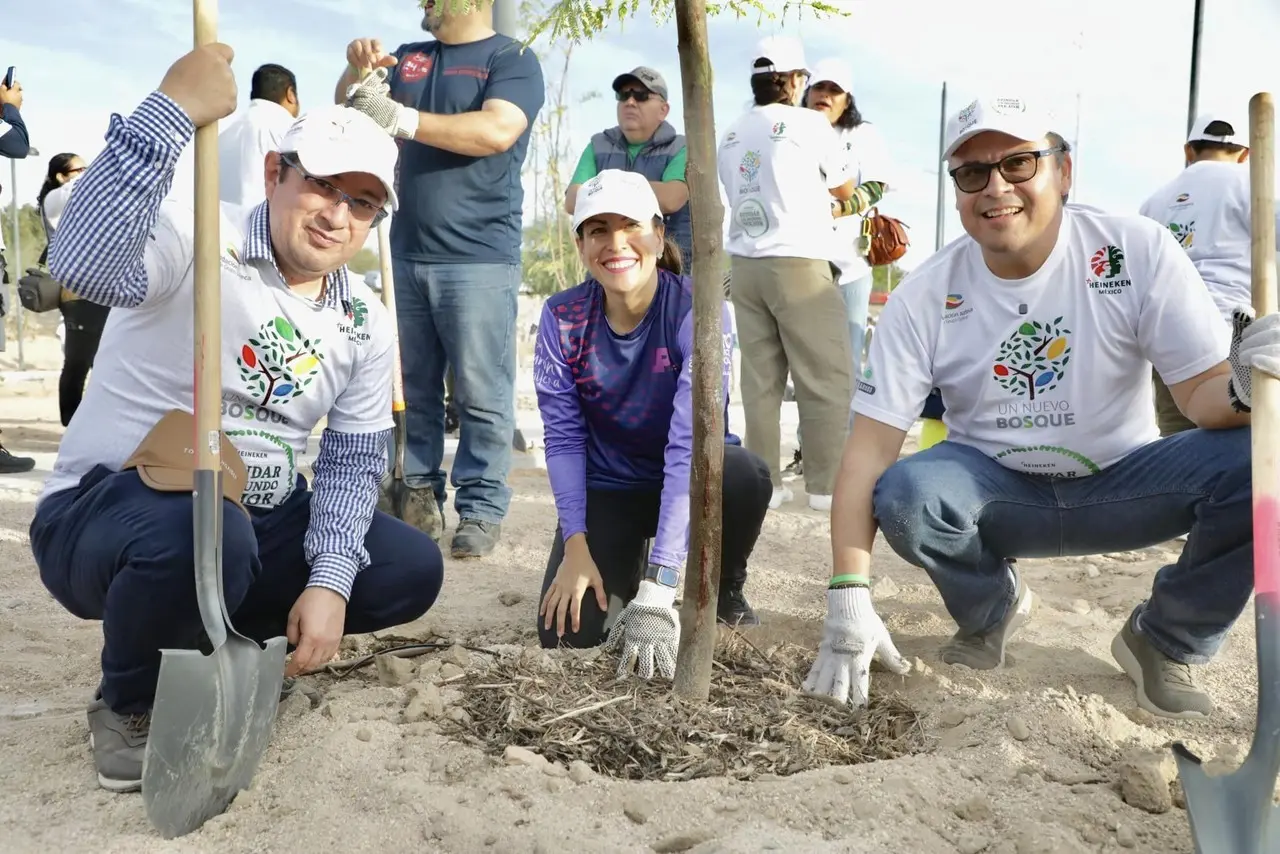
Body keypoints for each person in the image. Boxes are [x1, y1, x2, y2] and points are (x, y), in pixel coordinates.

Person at [34, 44, 445, 793]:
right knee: (204, 529)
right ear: (273, 176)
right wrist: (168, 112)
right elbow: (84, 267)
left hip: (253, 525)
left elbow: (353, 465)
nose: (336, 215)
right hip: (106, 516)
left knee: (408, 569)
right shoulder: (197, 234)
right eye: (321, 185)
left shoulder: (364, 320)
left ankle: (226, 638)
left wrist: (329, 582)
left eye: (361, 202)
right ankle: (128, 701)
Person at [802, 94, 1272, 721]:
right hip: (998, 496)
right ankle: (992, 606)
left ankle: (1165, 640)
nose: (996, 187)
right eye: (972, 173)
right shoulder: (924, 295)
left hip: (1123, 486)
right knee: (907, 492)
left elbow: (1200, 398)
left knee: (1265, 458)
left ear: (1064, 172)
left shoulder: (1135, 249)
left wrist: (1247, 388)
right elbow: (867, 452)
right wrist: (848, 596)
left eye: (1019, 163)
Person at [534, 170, 771, 672]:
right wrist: (576, 545)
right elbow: (563, 438)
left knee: (744, 473)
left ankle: (719, 582)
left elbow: (689, 445)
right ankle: (627, 558)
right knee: (566, 636)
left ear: (659, 234)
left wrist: (662, 585)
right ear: (580, 244)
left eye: (631, 226)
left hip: (693, 479)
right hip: (612, 485)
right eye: (598, 229)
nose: (616, 243)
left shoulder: (700, 311)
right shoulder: (562, 317)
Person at [338, 0, 546, 557]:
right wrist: (355, 70)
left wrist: (402, 119)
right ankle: (418, 496)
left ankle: (479, 510)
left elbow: (496, 130)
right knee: (411, 389)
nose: (422, 3)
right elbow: (351, 109)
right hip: (402, 253)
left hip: (479, 256)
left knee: (481, 393)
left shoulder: (512, 58)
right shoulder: (409, 59)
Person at [717, 35, 856, 513]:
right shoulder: (809, 123)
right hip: (797, 262)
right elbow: (844, 187)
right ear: (795, 80)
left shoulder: (732, 131)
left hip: (745, 265)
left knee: (761, 383)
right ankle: (826, 487)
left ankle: (765, 486)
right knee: (826, 378)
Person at [1138, 113, 1280, 437]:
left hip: (1166, 331)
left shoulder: (1151, 203)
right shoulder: (1252, 183)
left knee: (1180, 443)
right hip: (1233, 330)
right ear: (1245, 155)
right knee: (1243, 440)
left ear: (1189, 151)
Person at [785, 57, 894, 479]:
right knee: (806, 362)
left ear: (847, 99)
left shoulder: (861, 135)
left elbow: (878, 184)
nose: (824, 96)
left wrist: (840, 205)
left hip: (848, 262)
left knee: (846, 364)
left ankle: (842, 457)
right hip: (798, 259)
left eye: (834, 90)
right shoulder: (789, 130)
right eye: (818, 88)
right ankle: (807, 451)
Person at [564, 66, 691, 268]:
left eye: (641, 95)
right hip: (608, 268)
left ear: (663, 110)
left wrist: (600, 188)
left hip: (668, 271)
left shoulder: (682, 147)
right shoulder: (598, 145)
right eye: (623, 95)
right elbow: (572, 201)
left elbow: (671, 198)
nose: (630, 102)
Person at [38, 152, 108, 427]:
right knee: (78, 361)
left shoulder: (79, 201)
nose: (86, 172)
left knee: (99, 359)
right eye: (80, 169)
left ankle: (93, 420)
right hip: (76, 293)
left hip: (96, 290)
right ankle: (72, 421)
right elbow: (81, 189)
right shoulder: (56, 198)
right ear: (61, 176)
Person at [218, 63, 301, 208]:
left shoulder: (222, 130)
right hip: (264, 226)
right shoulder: (291, 128)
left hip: (219, 226)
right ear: (291, 94)